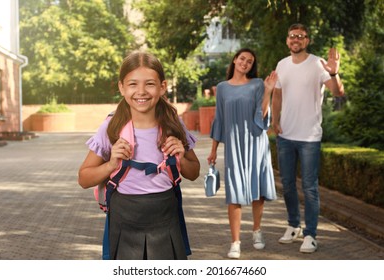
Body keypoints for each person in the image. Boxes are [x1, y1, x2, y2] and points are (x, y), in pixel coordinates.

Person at [78, 51, 200, 260]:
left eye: (150, 84)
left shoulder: (173, 124)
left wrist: (180, 156)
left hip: (166, 216)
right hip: (124, 219)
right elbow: (83, 178)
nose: (141, 91)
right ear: (121, 87)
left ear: (162, 87)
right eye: (133, 84)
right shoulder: (111, 127)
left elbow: (194, 172)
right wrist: (110, 164)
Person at [272, 23, 345, 253]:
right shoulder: (282, 65)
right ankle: (293, 225)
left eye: (301, 37)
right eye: (292, 36)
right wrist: (275, 120)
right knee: (288, 185)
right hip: (286, 136)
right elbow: (277, 94)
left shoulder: (317, 63)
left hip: (310, 136)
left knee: (310, 187)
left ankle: (311, 235)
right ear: (287, 40)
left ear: (307, 41)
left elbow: (337, 92)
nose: (296, 40)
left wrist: (334, 72)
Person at [207, 48, 278, 259]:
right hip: (234, 145)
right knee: (234, 193)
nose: (245, 63)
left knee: (258, 191)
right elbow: (219, 120)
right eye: (242, 58)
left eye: (249, 61)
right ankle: (235, 241)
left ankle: (257, 231)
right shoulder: (222, 88)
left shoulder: (257, 84)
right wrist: (213, 151)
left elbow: (262, 116)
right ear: (235, 60)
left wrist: (268, 91)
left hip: (256, 142)